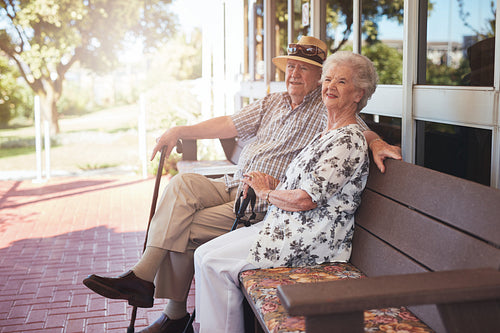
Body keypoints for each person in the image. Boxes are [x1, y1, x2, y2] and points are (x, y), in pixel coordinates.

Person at [83, 37, 400, 333]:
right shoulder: (272, 103)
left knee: (182, 229)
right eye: (291, 66)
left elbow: (356, 128)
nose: (295, 73)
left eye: (305, 69)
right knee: (181, 185)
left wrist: (377, 142)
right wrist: (180, 130)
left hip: (260, 201)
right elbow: (228, 123)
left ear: (318, 76)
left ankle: (173, 314)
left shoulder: (325, 109)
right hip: (236, 180)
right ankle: (143, 276)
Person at [194, 50, 376, 333]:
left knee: (216, 264)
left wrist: (266, 193)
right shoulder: (327, 133)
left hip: (310, 241)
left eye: (341, 81)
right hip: (284, 227)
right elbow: (303, 188)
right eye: (328, 79)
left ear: (358, 94)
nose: (330, 86)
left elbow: (306, 199)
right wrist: (271, 183)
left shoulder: (348, 140)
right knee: (203, 254)